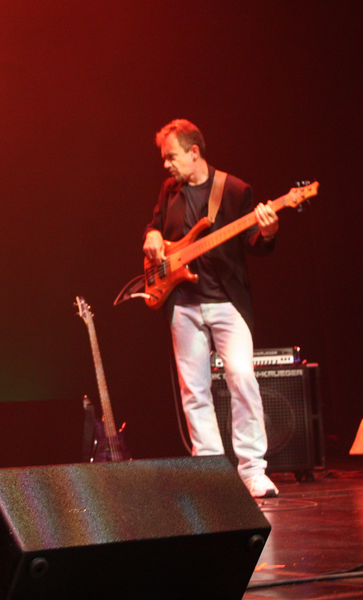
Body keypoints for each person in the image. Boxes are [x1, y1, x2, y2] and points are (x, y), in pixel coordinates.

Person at [142, 119, 280, 498]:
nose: (166, 165)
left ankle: (253, 470)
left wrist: (268, 232)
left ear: (194, 152)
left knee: (242, 378)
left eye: (171, 157)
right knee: (195, 391)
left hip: (226, 302)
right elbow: (156, 225)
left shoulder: (234, 189)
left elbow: (254, 242)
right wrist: (152, 235)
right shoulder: (169, 190)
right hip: (183, 303)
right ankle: (211, 473)